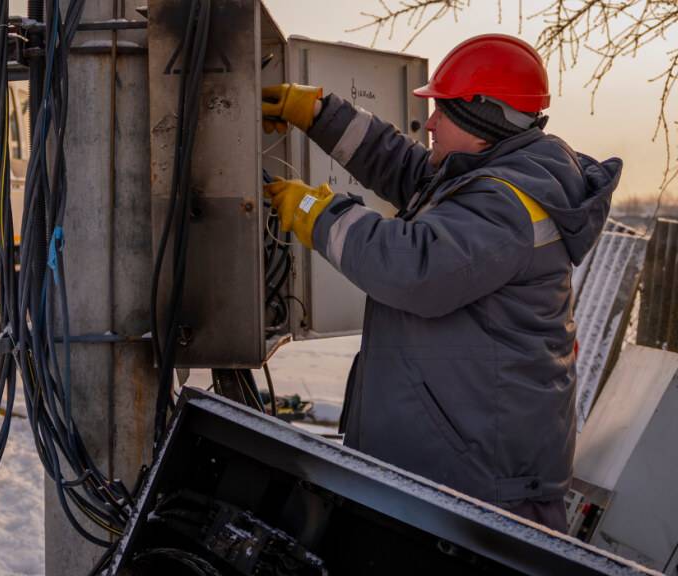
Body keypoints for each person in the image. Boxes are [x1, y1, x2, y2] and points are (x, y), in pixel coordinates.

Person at [261, 34, 621, 531]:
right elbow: (405, 168)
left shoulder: (508, 205)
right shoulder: (493, 173)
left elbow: (411, 270)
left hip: (482, 496)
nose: (428, 123)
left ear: (484, 118)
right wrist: (321, 114)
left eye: (443, 111)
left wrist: (316, 214)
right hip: (453, 471)